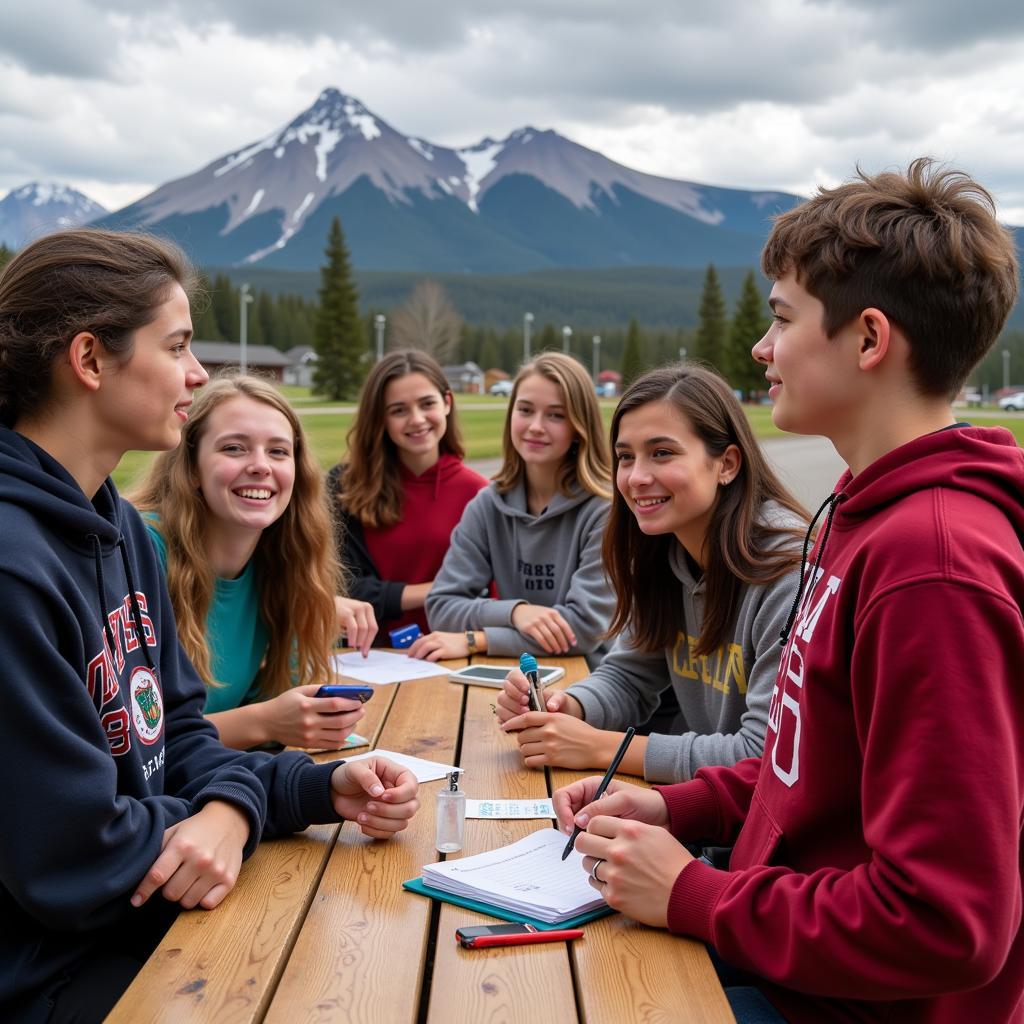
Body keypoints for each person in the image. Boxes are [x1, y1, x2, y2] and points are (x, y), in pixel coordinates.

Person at [553, 159, 1024, 1024]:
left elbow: (949, 925)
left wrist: (695, 892)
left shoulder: (933, 567)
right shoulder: (860, 515)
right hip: (790, 965)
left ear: (869, 339)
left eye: (781, 319)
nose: (762, 350)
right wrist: (669, 803)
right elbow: (804, 773)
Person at [0, 229, 420, 1024]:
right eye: (179, 346)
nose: (197, 374)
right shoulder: (15, 566)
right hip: (45, 972)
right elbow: (73, 856)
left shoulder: (118, 530)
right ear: (90, 360)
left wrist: (311, 788)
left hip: (130, 919)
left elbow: (180, 738)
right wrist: (225, 813)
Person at [496, 364, 808, 783]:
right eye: (626, 457)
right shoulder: (665, 549)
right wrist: (565, 707)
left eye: (662, 453)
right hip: (707, 815)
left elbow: (761, 753)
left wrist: (600, 746)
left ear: (727, 464)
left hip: (762, 834)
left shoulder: (788, 572)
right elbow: (629, 674)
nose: (637, 478)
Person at [131, 372, 377, 751]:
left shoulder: (286, 563)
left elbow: (275, 697)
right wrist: (266, 722)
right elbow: (134, 743)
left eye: (278, 451)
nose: (261, 465)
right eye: (234, 448)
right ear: (193, 467)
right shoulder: (140, 549)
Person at [412, 351, 615, 667]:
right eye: (525, 410)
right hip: (511, 679)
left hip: (591, 687)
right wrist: (516, 612)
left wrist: (478, 639)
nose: (535, 426)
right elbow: (441, 607)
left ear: (580, 426)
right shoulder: (488, 505)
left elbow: (584, 628)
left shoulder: (604, 511)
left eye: (556, 415)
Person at [326, 350, 488, 641]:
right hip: (364, 657)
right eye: (399, 410)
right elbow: (340, 587)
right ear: (381, 419)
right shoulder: (344, 487)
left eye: (427, 404)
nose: (417, 419)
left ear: (447, 402)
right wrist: (441, 592)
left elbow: (488, 594)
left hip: (450, 654)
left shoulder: (479, 494)